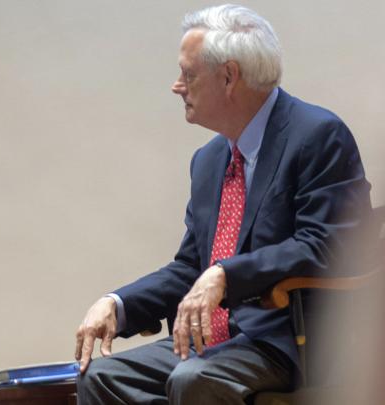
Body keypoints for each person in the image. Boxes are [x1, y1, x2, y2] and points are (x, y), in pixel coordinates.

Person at [74, 4, 371, 404]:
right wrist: (118, 303)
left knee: (194, 379)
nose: (176, 86)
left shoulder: (317, 135)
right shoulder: (209, 160)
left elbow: (328, 245)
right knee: (102, 376)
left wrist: (226, 275)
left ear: (229, 77)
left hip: (286, 340)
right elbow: (189, 268)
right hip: (213, 340)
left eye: (188, 74)